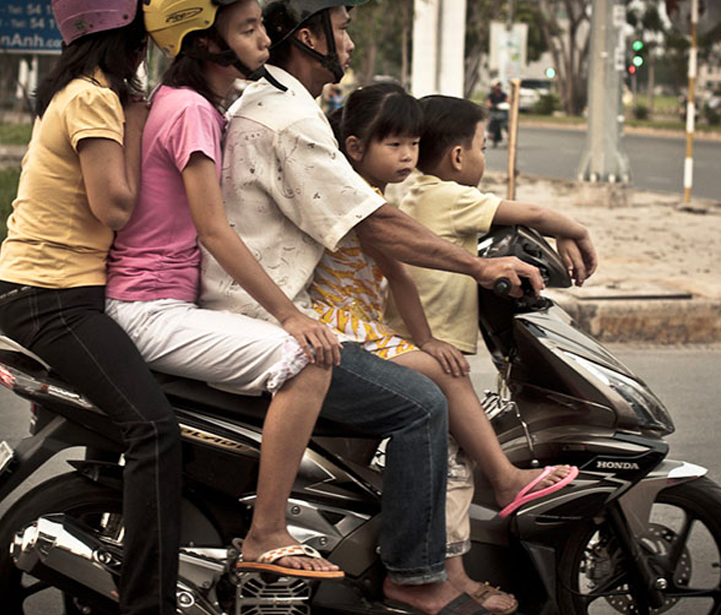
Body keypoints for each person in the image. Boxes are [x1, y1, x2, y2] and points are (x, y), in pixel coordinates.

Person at [200, 2, 545, 614]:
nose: (351, 43)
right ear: (308, 37)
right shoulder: (288, 117)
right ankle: (414, 577)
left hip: (274, 307)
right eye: (343, 29)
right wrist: (478, 266)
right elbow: (377, 226)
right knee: (423, 403)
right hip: (269, 318)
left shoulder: (282, 106)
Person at [313, 82, 579, 615]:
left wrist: (428, 337)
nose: (407, 156)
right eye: (394, 145)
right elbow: (411, 258)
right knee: (448, 390)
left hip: (369, 326)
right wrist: (571, 229)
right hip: (337, 325)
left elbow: (400, 275)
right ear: (355, 146)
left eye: (411, 144)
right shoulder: (361, 195)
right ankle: (501, 483)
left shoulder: (388, 196)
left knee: (382, 437)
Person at [105, 0, 342, 578]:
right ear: (204, 44)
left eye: (260, 25)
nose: (266, 39)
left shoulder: (182, 102)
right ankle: (267, 531)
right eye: (249, 29)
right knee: (307, 361)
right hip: (149, 308)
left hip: (154, 302)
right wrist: (290, 316)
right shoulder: (192, 111)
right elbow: (215, 228)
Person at [0, 2, 182, 613]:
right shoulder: (94, 99)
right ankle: (148, 602)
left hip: (50, 290)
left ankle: (101, 540)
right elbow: (115, 207)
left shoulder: (75, 92)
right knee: (152, 429)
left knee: (127, 416)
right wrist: (139, 118)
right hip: (50, 296)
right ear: (124, 42)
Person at [385, 92, 596, 364]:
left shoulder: (419, 192)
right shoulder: (453, 197)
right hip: (436, 337)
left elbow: (511, 219)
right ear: (458, 157)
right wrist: (578, 232)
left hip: (410, 332)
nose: (483, 157)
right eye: (482, 149)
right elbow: (534, 213)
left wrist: (559, 233)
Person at [485, 80, 508, 147]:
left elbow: (508, 101)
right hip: (493, 113)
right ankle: (493, 140)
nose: (498, 87)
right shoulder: (491, 95)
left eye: (499, 85)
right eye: (497, 85)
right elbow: (489, 104)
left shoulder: (503, 95)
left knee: (505, 127)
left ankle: (506, 141)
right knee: (492, 126)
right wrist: (495, 106)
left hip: (502, 113)